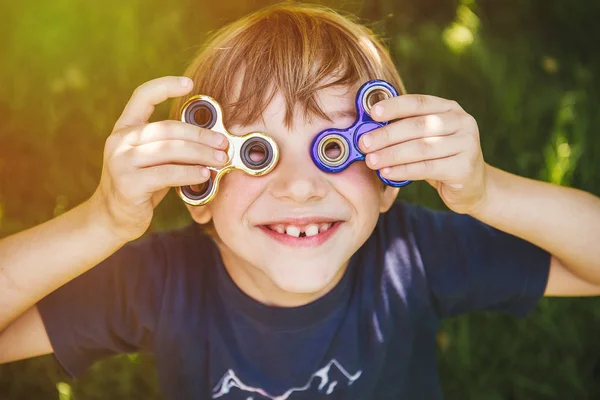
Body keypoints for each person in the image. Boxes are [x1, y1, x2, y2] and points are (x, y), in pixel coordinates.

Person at [1, 3, 599, 399]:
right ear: (198, 187)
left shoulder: (412, 256)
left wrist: (486, 191)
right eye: (257, 153)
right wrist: (101, 222)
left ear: (390, 175)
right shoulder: (159, 283)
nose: (299, 186)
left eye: (332, 147)